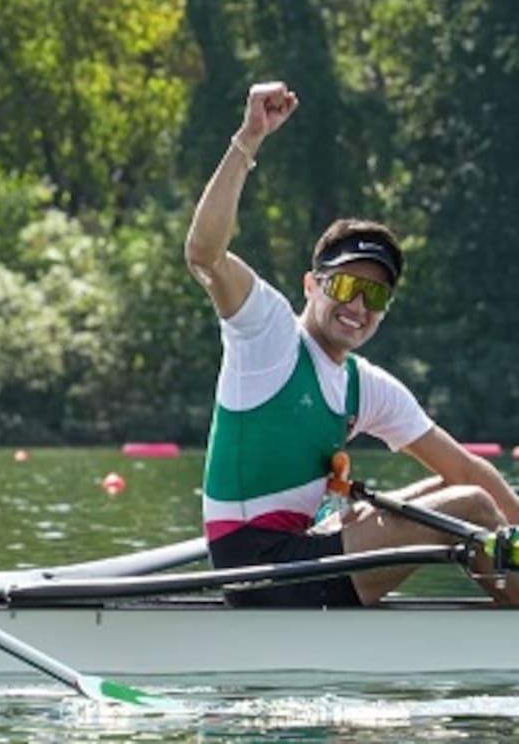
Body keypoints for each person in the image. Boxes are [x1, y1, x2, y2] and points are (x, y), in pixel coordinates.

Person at [184, 80, 519, 607]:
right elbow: (204, 254)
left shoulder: (363, 385)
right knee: (473, 508)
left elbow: (463, 468)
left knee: (455, 492)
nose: (357, 307)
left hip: (299, 552)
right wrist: (248, 141)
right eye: (344, 286)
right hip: (259, 570)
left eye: (374, 294)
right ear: (312, 285)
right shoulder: (267, 335)